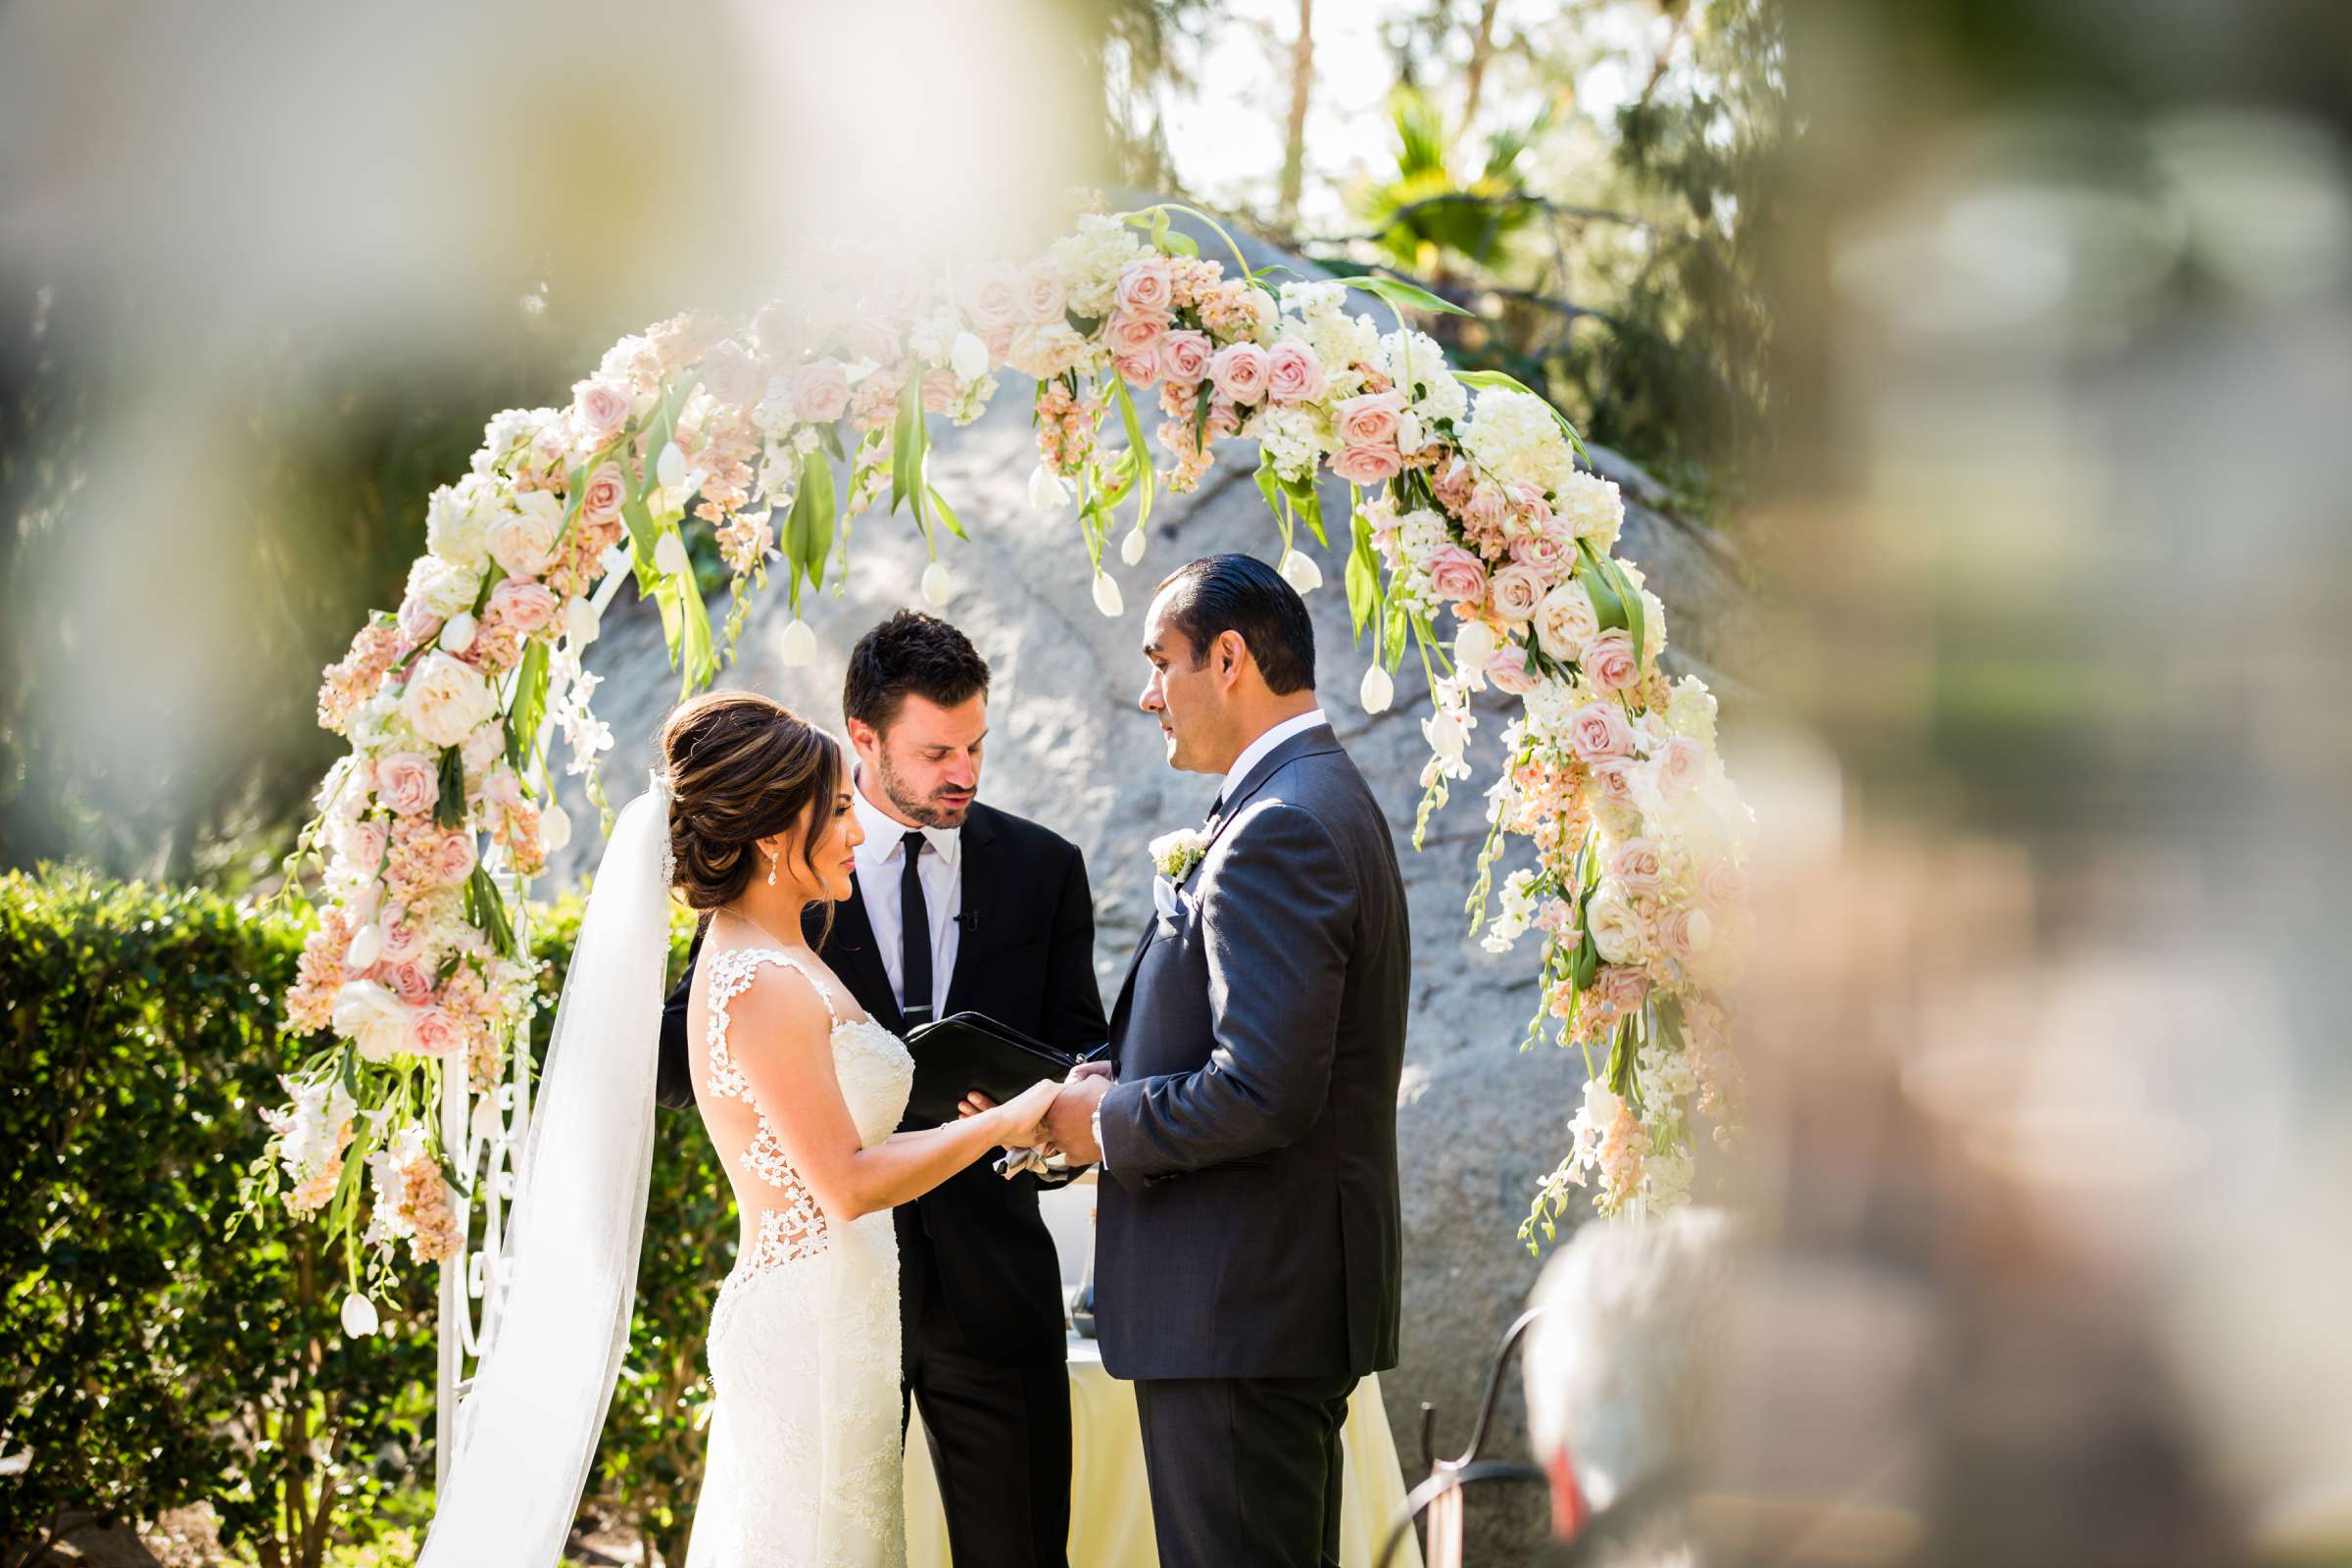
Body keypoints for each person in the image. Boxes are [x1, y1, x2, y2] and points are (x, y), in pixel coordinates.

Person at [414, 690, 1061, 1568]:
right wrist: (1012, 1122)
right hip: (809, 1326)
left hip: (848, 1314)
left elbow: (854, 1155)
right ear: (768, 835)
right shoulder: (759, 980)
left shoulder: (789, 956)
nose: (856, 832)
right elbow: (848, 1183)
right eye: (836, 812)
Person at [656, 612, 1105, 1567]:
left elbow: (1080, 1046)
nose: (964, 770)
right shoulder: (771, 929)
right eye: (937, 749)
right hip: (827, 1300)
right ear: (866, 739)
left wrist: (1045, 1104)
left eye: (976, 745)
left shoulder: (1041, 868)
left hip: (988, 1282)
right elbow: (692, 1065)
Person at [1004, 554, 1412, 1568]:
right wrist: (1119, 1078)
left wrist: (1097, 1124)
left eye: (1161, 663)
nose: (1149, 693)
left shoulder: (1281, 826)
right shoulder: (1312, 795)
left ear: (1228, 659)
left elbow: (1264, 1087)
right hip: (1265, 1307)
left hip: (1241, 1311)